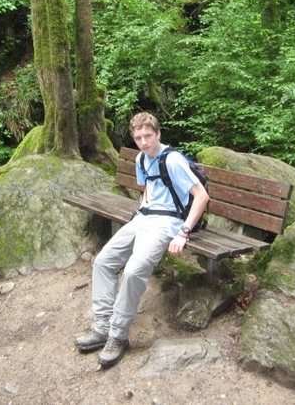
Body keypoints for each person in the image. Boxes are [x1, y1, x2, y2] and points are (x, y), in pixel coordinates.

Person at [74, 112, 210, 367]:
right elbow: (148, 188)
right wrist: (141, 209)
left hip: (167, 224)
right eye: (138, 137)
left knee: (134, 271)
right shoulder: (141, 158)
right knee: (103, 262)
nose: (144, 142)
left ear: (158, 134)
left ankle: (118, 336)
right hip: (142, 219)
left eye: (148, 136)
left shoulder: (173, 161)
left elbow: (201, 196)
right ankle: (101, 328)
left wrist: (183, 233)